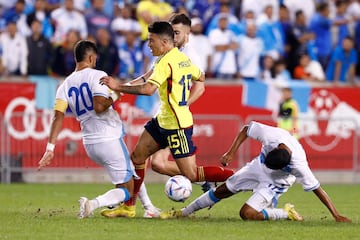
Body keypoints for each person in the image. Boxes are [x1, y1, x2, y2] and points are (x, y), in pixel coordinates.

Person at [100, 21, 234, 218]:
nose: (148, 45)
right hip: (162, 120)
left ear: (164, 41)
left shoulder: (166, 62)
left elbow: (148, 89)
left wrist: (118, 87)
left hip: (177, 126)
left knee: (191, 174)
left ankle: (241, 177)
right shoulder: (182, 59)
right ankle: (129, 207)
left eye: (151, 41)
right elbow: (201, 77)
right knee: (137, 157)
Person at [160, 121, 352, 223]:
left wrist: (335, 214)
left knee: (247, 214)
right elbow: (246, 129)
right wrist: (230, 152)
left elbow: (317, 188)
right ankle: (183, 213)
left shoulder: (299, 165)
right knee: (223, 191)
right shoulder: (272, 136)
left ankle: (285, 213)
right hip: (257, 167)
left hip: (276, 183)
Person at [38, 40, 135, 219]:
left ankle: (149, 207)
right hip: (109, 138)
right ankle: (93, 203)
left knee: (128, 172)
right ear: (91, 57)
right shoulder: (97, 75)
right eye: (95, 58)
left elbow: (57, 117)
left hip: (90, 143)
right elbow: (99, 106)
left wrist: (50, 148)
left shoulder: (64, 85)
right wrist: (115, 94)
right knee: (128, 189)